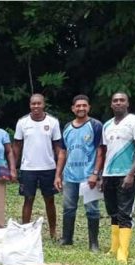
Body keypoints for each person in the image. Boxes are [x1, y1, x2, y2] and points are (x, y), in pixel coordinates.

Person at [99, 92, 135, 264]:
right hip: (108, 175)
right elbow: (104, 152)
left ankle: (123, 251)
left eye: (122, 100)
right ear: (111, 105)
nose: (118, 103)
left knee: (124, 213)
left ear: (128, 103)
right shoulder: (107, 125)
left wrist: (130, 174)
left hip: (125, 175)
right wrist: (100, 176)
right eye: (115, 101)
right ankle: (114, 247)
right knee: (112, 211)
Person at [54, 95, 104, 251]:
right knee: (68, 207)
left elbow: (100, 151)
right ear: (73, 108)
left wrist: (95, 173)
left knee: (92, 209)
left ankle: (93, 243)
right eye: (78, 106)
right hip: (70, 176)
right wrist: (58, 174)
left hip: (88, 175)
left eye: (84, 105)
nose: (81, 108)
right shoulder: (68, 127)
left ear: (89, 107)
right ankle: (67, 238)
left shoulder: (95, 125)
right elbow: (63, 152)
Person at [13, 93, 64, 239]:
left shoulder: (53, 122)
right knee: (28, 199)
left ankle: (53, 231)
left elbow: (58, 148)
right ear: (30, 105)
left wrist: (59, 172)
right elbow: (16, 146)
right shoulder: (22, 123)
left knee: (49, 199)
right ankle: (25, 231)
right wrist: (13, 168)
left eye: (39, 103)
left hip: (48, 167)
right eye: (33, 103)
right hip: (28, 168)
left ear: (44, 104)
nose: (36, 106)